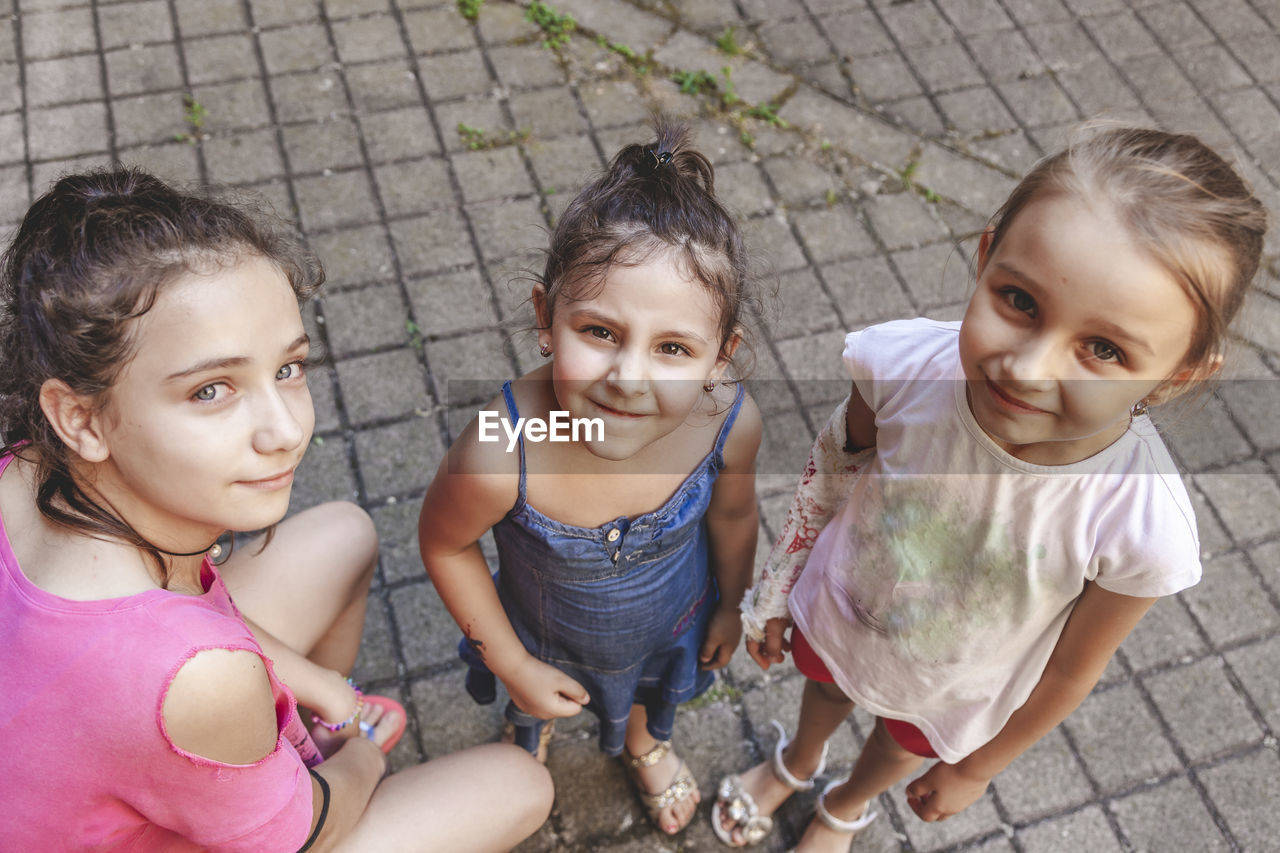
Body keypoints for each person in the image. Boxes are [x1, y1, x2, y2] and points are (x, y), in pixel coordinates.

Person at [711, 127, 1268, 851]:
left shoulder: (1140, 521)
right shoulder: (903, 364)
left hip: (954, 684)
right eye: (1019, 300)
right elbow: (835, 467)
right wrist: (780, 584)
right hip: (845, 608)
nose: (1029, 368)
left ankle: (845, 805)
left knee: (899, 744)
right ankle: (800, 758)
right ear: (986, 255)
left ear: (1176, 374)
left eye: (1103, 349)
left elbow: (1073, 667)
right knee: (824, 689)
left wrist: (979, 766)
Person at [0, 168, 553, 852]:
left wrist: (313, 680)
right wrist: (363, 753)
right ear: (78, 415)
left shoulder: (28, 467)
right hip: (238, 795)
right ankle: (298, 759)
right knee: (520, 784)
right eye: (211, 390)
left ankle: (278, 747)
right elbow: (301, 831)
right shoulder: (198, 673)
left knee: (345, 533)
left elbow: (156, 630)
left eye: (288, 368)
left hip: (82, 754)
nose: (286, 430)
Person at [419, 118, 763, 836]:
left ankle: (643, 738)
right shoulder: (501, 446)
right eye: (600, 332)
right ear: (547, 316)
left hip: (668, 626)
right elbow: (445, 544)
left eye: (673, 347)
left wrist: (732, 605)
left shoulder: (727, 420)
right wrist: (510, 662)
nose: (627, 377)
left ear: (720, 357)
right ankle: (528, 726)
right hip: (539, 636)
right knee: (535, 696)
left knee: (646, 691)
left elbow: (732, 516)